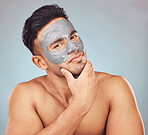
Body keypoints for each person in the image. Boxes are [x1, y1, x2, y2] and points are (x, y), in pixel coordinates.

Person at [5, 4, 144, 135]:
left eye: (73, 37)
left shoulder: (115, 88)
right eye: (57, 45)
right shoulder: (26, 96)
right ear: (40, 62)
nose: (73, 47)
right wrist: (80, 105)